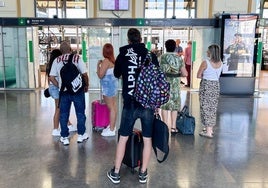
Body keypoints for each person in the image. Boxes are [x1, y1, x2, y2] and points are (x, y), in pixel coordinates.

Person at [107, 28, 158, 184]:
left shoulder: (123, 54)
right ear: (141, 39)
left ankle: (116, 173)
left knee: (123, 137)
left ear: (129, 40)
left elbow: (116, 74)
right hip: (148, 103)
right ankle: (143, 173)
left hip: (130, 103)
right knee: (148, 139)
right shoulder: (150, 55)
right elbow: (156, 76)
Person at [49, 41, 89, 145]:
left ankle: (64, 137)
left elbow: (51, 77)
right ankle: (81, 135)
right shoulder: (77, 58)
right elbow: (84, 74)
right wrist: (86, 86)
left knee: (64, 115)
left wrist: (59, 85)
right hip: (77, 90)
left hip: (64, 92)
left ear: (61, 51)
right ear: (70, 49)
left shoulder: (56, 60)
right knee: (80, 113)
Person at [159, 39, 188, 134]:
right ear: (175, 47)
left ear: (166, 46)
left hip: (164, 84)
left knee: (164, 105)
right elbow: (185, 73)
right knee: (174, 106)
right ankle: (173, 127)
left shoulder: (162, 57)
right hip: (175, 85)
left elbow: (158, 71)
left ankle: (164, 127)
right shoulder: (179, 58)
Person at [46, 49, 76, 136]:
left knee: (62, 108)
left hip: (53, 88)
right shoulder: (55, 64)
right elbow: (51, 78)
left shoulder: (51, 64)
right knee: (58, 109)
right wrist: (59, 85)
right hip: (55, 88)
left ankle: (68, 124)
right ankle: (55, 129)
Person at [197, 44, 223, 138]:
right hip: (216, 85)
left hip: (206, 85)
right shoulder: (221, 62)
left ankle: (208, 132)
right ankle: (210, 129)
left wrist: (205, 75)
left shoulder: (205, 62)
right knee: (212, 107)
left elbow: (198, 75)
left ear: (211, 52)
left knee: (205, 107)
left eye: (208, 51)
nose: (206, 52)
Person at [97, 43, 118, 137]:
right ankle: (112, 125)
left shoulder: (106, 61)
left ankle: (112, 129)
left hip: (107, 87)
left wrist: (98, 65)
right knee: (113, 106)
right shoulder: (114, 61)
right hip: (113, 86)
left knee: (111, 107)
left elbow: (100, 75)